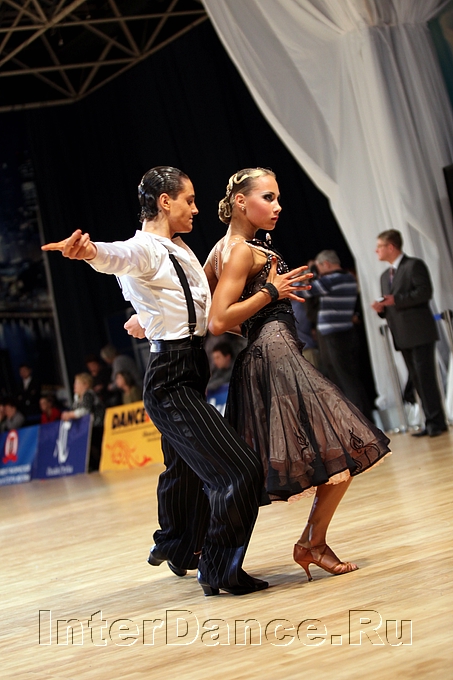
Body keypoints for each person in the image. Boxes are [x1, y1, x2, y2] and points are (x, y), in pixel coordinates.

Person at [41, 165, 282, 597]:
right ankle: (218, 568)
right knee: (240, 470)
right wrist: (89, 251)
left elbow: (192, 303)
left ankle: (178, 544)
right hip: (170, 377)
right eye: (189, 200)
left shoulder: (181, 249)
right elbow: (117, 256)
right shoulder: (145, 248)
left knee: (185, 468)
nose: (196, 209)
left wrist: (146, 316)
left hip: (188, 368)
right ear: (165, 201)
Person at [205, 167, 391, 581]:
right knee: (348, 445)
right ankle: (311, 543)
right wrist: (271, 294)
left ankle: (307, 542)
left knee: (329, 454)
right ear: (241, 202)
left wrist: (256, 319)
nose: (278, 207)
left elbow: (205, 310)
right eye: (268, 198)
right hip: (277, 356)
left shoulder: (223, 249)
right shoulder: (240, 251)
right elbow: (216, 320)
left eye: (277, 198)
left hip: (269, 351)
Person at [372, 229, 448, 437]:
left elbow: (424, 293)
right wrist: (381, 309)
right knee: (416, 379)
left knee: (425, 378)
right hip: (402, 334)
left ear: (391, 247)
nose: (376, 251)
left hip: (419, 331)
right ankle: (431, 420)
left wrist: (397, 300)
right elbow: (390, 305)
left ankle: (436, 421)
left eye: (379, 246)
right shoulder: (384, 276)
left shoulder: (413, 265)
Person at [299, 250, 374, 420]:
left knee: (343, 380)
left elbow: (304, 291)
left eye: (319, 266)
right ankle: (364, 418)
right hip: (346, 332)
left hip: (333, 336)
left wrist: (309, 272)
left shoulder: (331, 280)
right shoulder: (348, 277)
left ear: (325, 264)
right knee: (350, 378)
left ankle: (361, 420)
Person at [61, 372, 105, 471]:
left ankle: (97, 466)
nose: (74, 386)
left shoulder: (88, 394)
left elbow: (85, 410)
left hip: (97, 426)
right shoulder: (78, 397)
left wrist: (70, 415)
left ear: (85, 385)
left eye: (77, 383)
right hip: (87, 427)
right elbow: (75, 410)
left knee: (94, 446)